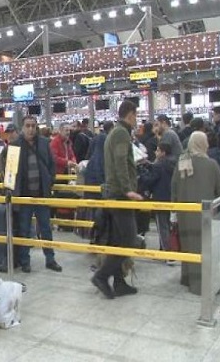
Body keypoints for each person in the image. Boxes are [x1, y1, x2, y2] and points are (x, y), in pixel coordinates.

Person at [91, 100, 142, 299]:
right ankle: (101, 276)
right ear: (130, 114)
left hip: (114, 192)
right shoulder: (121, 133)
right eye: (136, 115)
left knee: (117, 241)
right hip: (120, 194)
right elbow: (121, 162)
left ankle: (119, 282)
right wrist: (128, 190)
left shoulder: (115, 132)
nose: (136, 119)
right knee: (129, 240)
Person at [172, 132, 220, 295]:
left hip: (184, 212)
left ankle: (187, 278)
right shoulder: (212, 164)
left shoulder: (182, 162)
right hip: (205, 214)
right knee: (204, 247)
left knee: (188, 245)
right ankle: (201, 284)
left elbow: (173, 187)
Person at [8, 115, 62, 273]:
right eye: (27, 126)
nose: (31, 129)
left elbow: (52, 165)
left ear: (36, 127)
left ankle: (50, 259)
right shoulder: (15, 145)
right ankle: (25, 261)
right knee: (24, 229)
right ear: (22, 128)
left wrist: (50, 180)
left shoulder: (45, 143)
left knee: (46, 228)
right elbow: (9, 170)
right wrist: (10, 190)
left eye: (33, 126)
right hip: (24, 196)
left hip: (41, 194)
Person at [138, 142, 177, 253]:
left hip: (160, 198)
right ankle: (167, 247)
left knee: (162, 226)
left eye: (158, 150)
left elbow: (150, 179)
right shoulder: (173, 163)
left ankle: (166, 250)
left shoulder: (159, 165)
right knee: (168, 225)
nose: (156, 152)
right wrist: (150, 165)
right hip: (171, 197)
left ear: (163, 153)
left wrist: (141, 175)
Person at [84, 121, 114, 186]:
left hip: (90, 174)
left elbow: (87, 156)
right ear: (111, 128)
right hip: (98, 178)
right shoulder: (106, 139)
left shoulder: (95, 138)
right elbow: (101, 161)